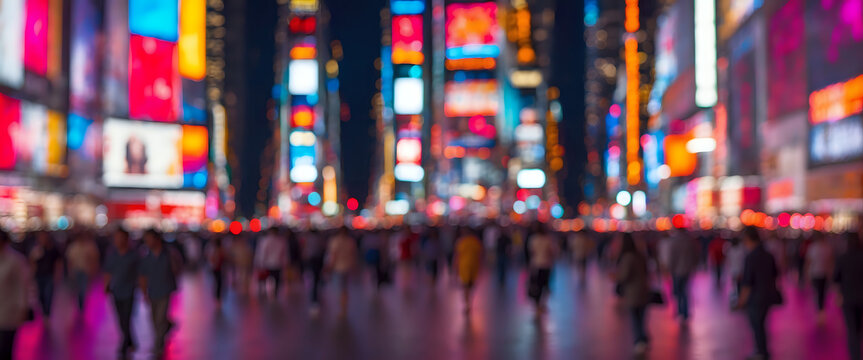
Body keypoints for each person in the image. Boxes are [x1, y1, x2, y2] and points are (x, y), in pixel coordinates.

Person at [735, 226, 782, 360]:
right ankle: (763, 350)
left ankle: (761, 352)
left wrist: (741, 301)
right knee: (761, 324)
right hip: (768, 295)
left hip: (755, 297)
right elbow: (775, 274)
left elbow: (747, 282)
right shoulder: (768, 255)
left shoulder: (750, 257)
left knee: (757, 325)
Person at [139, 229, 181, 357]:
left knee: (160, 318)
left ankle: (158, 346)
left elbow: (178, 267)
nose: (147, 242)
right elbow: (143, 275)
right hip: (152, 291)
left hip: (165, 290)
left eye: (149, 239)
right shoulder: (146, 256)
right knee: (154, 319)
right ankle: (168, 325)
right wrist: (144, 292)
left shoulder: (169, 253)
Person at [103, 228, 140, 357]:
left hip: (129, 291)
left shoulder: (133, 255)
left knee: (127, 317)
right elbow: (108, 271)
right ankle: (131, 341)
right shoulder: (112, 255)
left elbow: (140, 273)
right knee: (121, 319)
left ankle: (124, 345)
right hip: (116, 291)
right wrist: (106, 286)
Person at [616, 232, 651, 355]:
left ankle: (639, 341)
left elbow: (625, 276)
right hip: (644, 289)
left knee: (635, 317)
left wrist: (616, 277)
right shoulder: (640, 255)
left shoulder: (627, 257)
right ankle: (644, 338)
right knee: (642, 316)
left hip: (632, 291)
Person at [0, 229, 30, 360]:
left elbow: (22, 286)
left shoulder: (16, 260)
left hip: (8, 313)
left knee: (5, 349)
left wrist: (23, 307)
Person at [835, 232, 863, 360]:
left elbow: (836, 278)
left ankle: (855, 356)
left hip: (848, 298)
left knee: (852, 331)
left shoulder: (843, 258)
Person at [667, 230, 699, 321]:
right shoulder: (689, 241)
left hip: (677, 270)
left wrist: (670, 268)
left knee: (678, 291)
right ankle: (685, 312)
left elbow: (672, 257)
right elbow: (695, 254)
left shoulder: (674, 242)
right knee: (684, 290)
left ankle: (680, 310)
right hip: (687, 269)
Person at [327, 227, 358, 316]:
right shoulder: (350, 241)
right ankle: (344, 307)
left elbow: (333, 255)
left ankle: (342, 308)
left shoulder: (335, 241)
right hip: (348, 266)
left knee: (340, 288)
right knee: (345, 288)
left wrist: (330, 267)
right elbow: (354, 255)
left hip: (338, 267)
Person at [29, 231, 60, 319]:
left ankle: (47, 313)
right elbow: (32, 262)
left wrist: (57, 275)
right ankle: (44, 311)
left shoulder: (53, 249)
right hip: (39, 275)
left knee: (48, 294)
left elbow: (58, 263)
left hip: (49, 275)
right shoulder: (36, 249)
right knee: (40, 295)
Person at [528, 225, 558, 313]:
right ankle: (542, 303)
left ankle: (537, 305)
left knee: (536, 285)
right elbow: (553, 252)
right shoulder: (548, 239)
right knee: (545, 285)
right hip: (546, 264)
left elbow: (531, 251)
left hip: (536, 264)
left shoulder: (533, 239)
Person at [66, 232, 100, 311]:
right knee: (77, 289)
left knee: (83, 289)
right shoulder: (73, 247)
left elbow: (95, 258)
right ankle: (80, 304)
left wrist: (93, 269)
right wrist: (70, 271)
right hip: (76, 271)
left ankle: (82, 305)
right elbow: (69, 260)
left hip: (85, 271)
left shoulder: (89, 246)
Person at [804, 232, 833, 320]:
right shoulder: (827, 247)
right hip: (824, 273)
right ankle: (821, 310)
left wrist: (806, 274)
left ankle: (819, 310)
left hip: (815, 273)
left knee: (817, 292)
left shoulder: (812, 248)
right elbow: (831, 262)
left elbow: (808, 262)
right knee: (822, 292)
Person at [455, 227, 483, 313]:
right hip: (473, 266)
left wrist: (455, 267)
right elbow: (480, 254)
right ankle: (468, 302)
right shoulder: (475, 241)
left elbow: (457, 255)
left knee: (465, 285)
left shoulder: (461, 242)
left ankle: (467, 303)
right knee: (469, 286)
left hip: (464, 267)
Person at [254, 227, 288, 297]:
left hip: (267, 264)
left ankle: (264, 293)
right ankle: (275, 294)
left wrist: (260, 263)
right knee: (277, 280)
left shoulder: (265, 240)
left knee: (264, 279)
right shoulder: (281, 241)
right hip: (277, 264)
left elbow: (262, 253)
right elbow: (285, 254)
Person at [205, 237, 227, 303]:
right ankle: (218, 296)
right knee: (218, 282)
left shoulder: (217, 249)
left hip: (218, 268)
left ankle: (218, 295)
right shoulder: (216, 250)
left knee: (219, 282)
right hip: (217, 268)